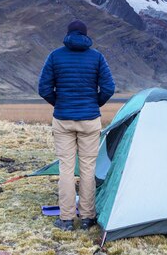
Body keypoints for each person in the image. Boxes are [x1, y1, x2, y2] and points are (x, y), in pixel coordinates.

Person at [38, 19, 115, 231]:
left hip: (63, 120)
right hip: (90, 120)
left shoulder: (55, 56)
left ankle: (66, 219)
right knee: (88, 169)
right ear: (86, 35)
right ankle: (88, 217)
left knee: (66, 168)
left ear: (68, 34)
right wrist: (93, 104)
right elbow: (109, 87)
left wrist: (60, 103)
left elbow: (43, 88)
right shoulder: (97, 57)